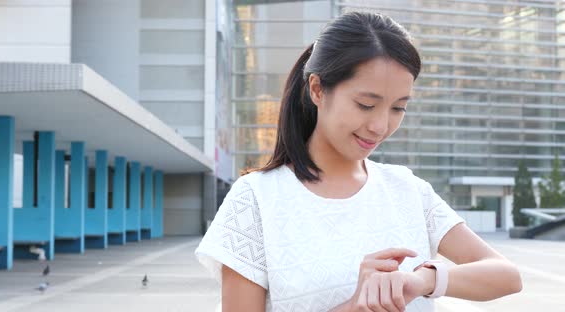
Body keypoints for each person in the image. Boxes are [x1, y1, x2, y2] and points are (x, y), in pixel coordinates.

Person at [195, 11, 522, 312]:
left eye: (398, 108)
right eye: (366, 104)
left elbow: (506, 275)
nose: (381, 126)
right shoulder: (257, 198)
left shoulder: (407, 189)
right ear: (318, 90)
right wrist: (355, 306)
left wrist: (422, 280)